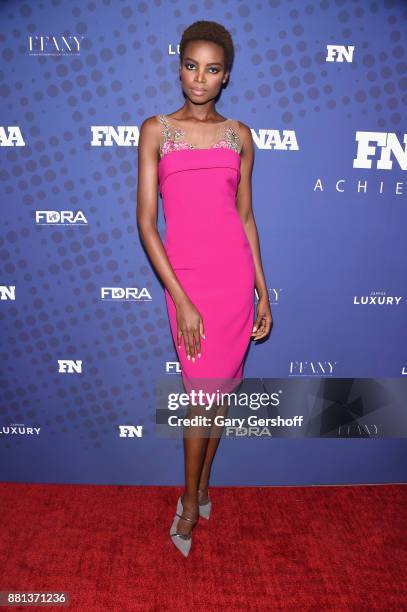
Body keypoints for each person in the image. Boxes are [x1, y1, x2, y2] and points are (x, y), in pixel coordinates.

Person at [136, 20, 272, 557]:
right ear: (180, 68)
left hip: (234, 282)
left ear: (225, 77)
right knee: (201, 399)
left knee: (217, 400)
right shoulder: (155, 130)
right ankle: (189, 503)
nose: (200, 78)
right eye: (191, 66)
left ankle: (202, 486)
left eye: (211, 69)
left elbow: (246, 218)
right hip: (186, 284)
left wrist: (263, 289)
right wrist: (182, 301)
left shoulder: (240, 135)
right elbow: (147, 224)